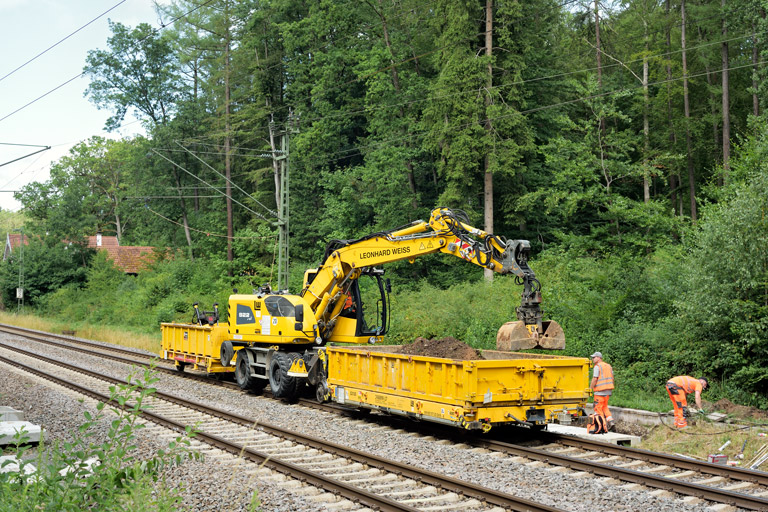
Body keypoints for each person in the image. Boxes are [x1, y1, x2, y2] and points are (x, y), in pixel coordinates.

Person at [589, 351, 615, 431]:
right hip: (608, 392)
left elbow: (595, 378)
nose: (593, 359)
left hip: (599, 392)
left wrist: (590, 388)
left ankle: (602, 427)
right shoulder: (608, 366)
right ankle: (611, 421)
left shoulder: (597, 366)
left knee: (598, 409)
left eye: (594, 357)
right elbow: (612, 378)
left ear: (599, 358)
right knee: (605, 407)